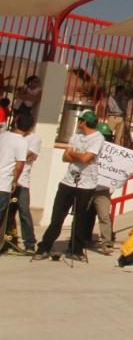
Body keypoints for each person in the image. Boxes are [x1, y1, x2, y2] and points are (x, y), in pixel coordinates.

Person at [34, 110, 105, 260]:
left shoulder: (98, 138)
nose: (78, 123)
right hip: (68, 181)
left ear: (84, 122)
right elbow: (65, 157)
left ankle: (76, 250)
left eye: (80, 120)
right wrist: (77, 155)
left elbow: (86, 158)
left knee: (79, 219)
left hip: (86, 185)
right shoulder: (76, 136)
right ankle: (44, 247)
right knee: (57, 217)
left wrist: (74, 154)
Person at [0, 113, 30, 243]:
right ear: (29, 128)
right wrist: (14, 181)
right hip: (3, 184)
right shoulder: (22, 142)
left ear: (16, 123)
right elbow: (19, 165)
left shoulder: (3, 136)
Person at [12, 115, 40, 252]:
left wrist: (14, 156)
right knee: (7, 213)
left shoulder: (35, 139)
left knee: (24, 212)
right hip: (7, 180)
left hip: (22, 182)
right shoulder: (10, 137)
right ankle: (10, 239)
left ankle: (29, 243)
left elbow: (30, 155)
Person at [87, 122, 116, 255]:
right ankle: (79, 240)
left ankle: (106, 243)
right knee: (83, 215)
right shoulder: (89, 147)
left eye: (107, 137)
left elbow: (120, 167)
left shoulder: (113, 153)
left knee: (104, 216)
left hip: (103, 189)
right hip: (87, 186)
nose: (105, 140)